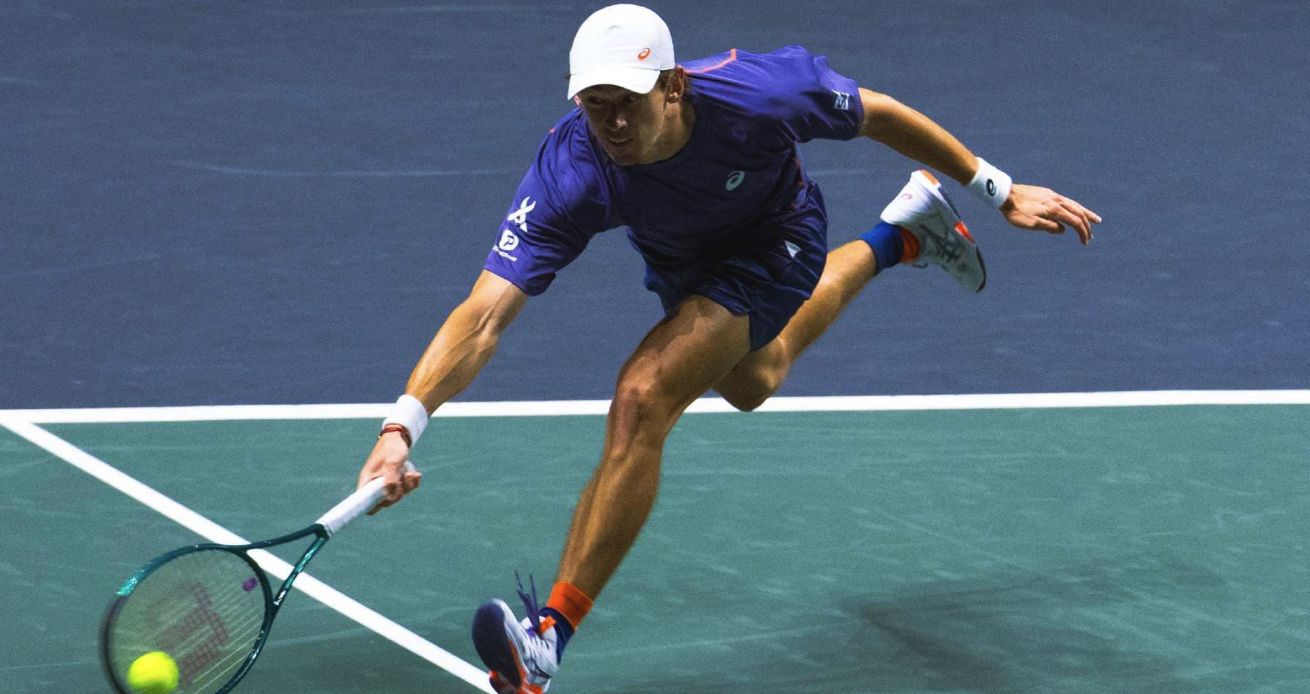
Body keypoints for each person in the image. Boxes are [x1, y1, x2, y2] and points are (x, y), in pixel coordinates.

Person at [355, 4, 1101, 692]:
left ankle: (549, 636)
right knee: (754, 380)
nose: (610, 122)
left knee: (644, 397)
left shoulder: (760, 94)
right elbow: (485, 313)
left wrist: (997, 188)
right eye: (594, 104)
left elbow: (876, 113)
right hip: (686, 263)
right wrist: (401, 426)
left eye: (627, 102)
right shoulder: (571, 170)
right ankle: (902, 234)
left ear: (674, 87)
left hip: (776, 237)